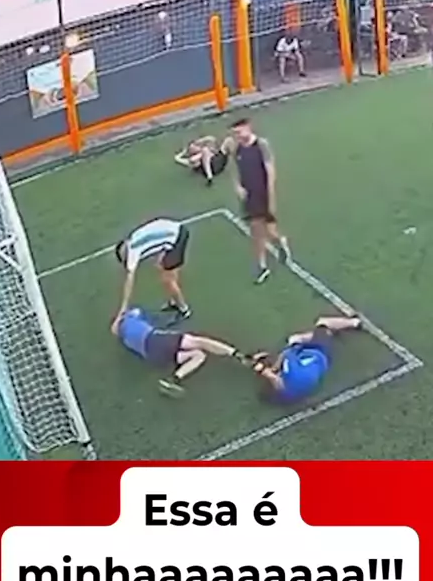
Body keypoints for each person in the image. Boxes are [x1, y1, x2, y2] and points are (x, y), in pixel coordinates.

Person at [114, 307, 246, 397]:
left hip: (152, 356)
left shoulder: (124, 339)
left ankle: (173, 379)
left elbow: (116, 329)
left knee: (199, 355)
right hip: (155, 339)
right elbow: (138, 312)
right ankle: (235, 353)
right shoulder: (133, 315)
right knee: (198, 341)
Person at [230, 117, 291, 285]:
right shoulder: (237, 149)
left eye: (239, 132)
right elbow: (235, 170)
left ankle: (281, 241)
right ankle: (262, 266)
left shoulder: (262, 145)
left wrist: (271, 198)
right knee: (256, 233)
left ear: (248, 128)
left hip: (263, 195)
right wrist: (237, 187)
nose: (237, 136)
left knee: (270, 231)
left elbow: (271, 173)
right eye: (235, 133)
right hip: (249, 197)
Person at [247, 315, 361, 404]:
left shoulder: (290, 391)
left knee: (295, 340)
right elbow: (274, 374)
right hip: (319, 353)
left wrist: (272, 367)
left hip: (315, 362)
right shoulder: (288, 368)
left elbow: (275, 375)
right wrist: (261, 368)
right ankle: (354, 322)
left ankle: (326, 334)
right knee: (321, 323)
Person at [111, 218, 191, 334]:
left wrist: (122, 310)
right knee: (163, 267)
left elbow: (129, 281)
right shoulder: (134, 237)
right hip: (176, 231)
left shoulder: (133, 251)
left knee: (167, 280)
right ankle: (174, 301)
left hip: (176, 239)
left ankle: (184, 310)